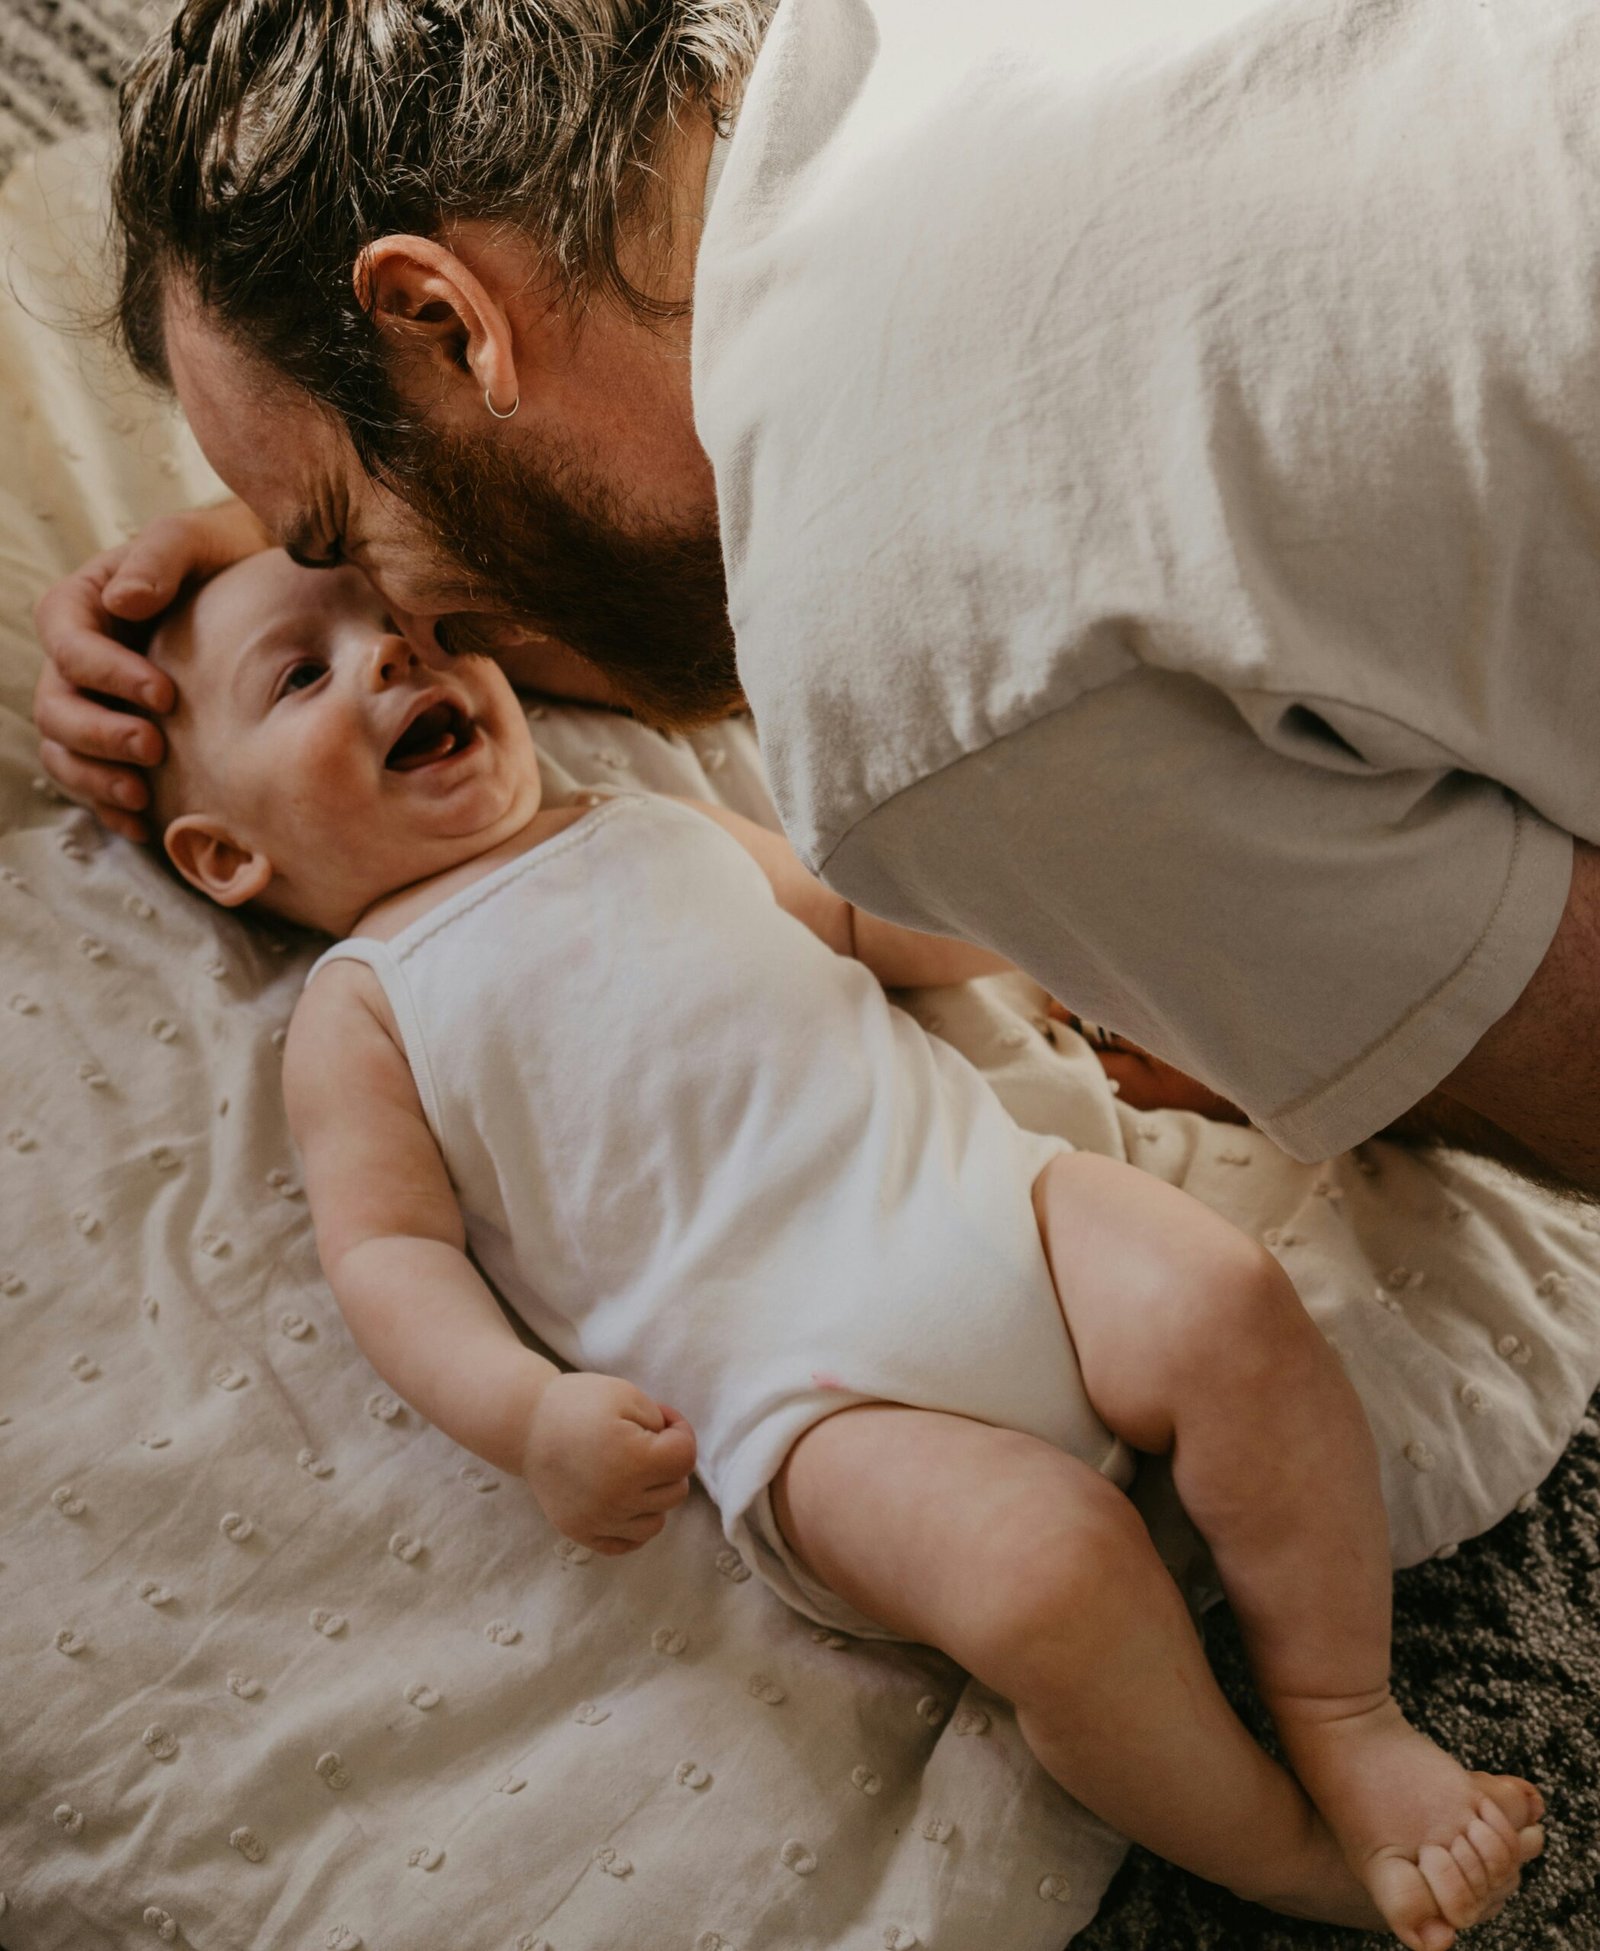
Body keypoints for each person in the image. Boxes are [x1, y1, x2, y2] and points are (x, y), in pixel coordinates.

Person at [144, 545, 1543, 1951]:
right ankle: (1272, 1849)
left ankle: (1342, 1712)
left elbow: (862, 917)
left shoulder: (645, 820)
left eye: (406, 631)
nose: (393, 658)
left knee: (1231, 1302)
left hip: (1000, 1209)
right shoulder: (368, 1004)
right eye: (304, 674)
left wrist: (1040, 939)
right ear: (225, 851)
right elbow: (389, 1253)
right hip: (818, 1407)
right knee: (1053, 1580)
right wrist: (528, 1417)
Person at [32, 0, 1600, 1200]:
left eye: (341, 535)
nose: (412, 626)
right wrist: (290, 556)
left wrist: (1270, 1015)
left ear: (444, 318)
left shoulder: (901, 669)